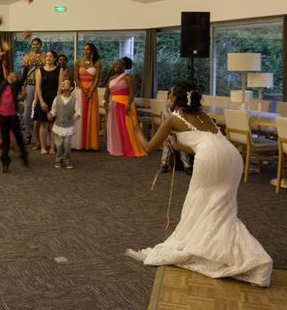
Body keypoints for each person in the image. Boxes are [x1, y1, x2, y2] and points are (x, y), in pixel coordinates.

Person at [126, 81, 273, 287]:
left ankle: (216, 253)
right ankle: (249, 259)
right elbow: (206, 146)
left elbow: (149, 148)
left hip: (210, 159)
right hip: (232, 157)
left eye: (169, 97)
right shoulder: (205, 117)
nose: (168, 100)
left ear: (175, 100)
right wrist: (177, 146)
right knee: (223, 212)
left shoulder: (174, 118)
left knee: (200, 206)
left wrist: (136, 130)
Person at [104, 57, 146, 157]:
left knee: (126, 127)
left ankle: (127, 147)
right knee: (114, 127)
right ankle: (115, 147)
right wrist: (105, 101)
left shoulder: (128, 77)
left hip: (125, 104)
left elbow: (132, 92)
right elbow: (107, 91)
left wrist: (128, 105)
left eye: (118, 64)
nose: (115, 66)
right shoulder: (111, 78)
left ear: (124, 66)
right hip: (113, 104)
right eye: (115, 64)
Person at [0, 69, 29, 173]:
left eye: (14, 76)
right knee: (5, 141)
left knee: (19, 137)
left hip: (12, 117)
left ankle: (24, 155)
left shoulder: (15, 86)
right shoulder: (3, 84)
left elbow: (23, 79)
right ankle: (5, 161)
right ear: (6, 78)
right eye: (10, 76)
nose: (12, 77)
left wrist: (26, 66)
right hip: (3, 117)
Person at [72, 43, 100, 151]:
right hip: (80, 91)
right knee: (80, 115)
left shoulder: (97, 62)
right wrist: (84, 90)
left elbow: (97, 78)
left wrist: (90, 91)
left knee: (91, 116)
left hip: (92, 91)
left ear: (92, 51)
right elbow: (76, 78)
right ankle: (78, 143)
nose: (85, 51)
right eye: (84, 49)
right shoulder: (78, 62)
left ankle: (90, 143)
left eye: (88, 49)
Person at [33, 50, 61, 154]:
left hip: (54, 98)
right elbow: (38, 87)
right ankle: (43, 147)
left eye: (51, 56)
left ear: (54, 58)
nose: (48, 58)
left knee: (52, 124)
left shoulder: (59, 70)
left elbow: (59, 87)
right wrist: (41, 102)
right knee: (43, 124)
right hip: (43, 99)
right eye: (47, 56)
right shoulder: (40, 70)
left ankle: (53, 147)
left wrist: (57, 102)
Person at [48, 78, 80, 169]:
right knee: (59, 144)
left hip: (69, 127)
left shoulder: (74, 100)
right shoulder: (57, 99)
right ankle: (59, 160)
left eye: (65, 83)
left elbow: (78, 111)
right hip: (58, 126)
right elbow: (54, 111)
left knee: (66, 145)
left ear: (70, 88)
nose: (62, 83)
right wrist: (51, 115)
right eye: (62, 82)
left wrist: (77, 115)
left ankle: (67, 160)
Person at [159, 90, 192, 174]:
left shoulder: (182, 111)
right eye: (169, 99)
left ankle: (187, 165)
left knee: (182, 146)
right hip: (169, 133)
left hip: (181, 134)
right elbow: (163, 126)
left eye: (173, 100)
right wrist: (165, 137)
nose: (171, 102)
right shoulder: (164, 111)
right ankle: (164, 164)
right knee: (167, 146)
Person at [22, 38, 44, 146]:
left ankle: (41, 135)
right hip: (30, 85)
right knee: (27, 110)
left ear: (41, 45)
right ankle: (27, 133)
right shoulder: (27, 57)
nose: (35, 46)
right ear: (31, 45)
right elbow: (23, 74)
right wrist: (23, 87)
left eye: (37, 44)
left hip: (42, 86)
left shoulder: (45, 57)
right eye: (34, 44)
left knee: (41, 109)